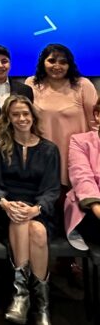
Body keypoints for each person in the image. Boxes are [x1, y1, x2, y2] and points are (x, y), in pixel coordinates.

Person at [0, 94, 59, 325]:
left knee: (36, 230)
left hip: (39, 211)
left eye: (25, 114)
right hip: (6, 210)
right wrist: (5, 203)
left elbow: (52, 190)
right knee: (20, 220)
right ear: (8, 118)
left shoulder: (49, 149)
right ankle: (30, 301)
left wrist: (36, 209)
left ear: (33, 116)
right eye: (15, 114)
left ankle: (32, 301)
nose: (21, 118)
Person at [25, 43, 98, 186]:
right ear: (43, 62)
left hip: (76, 153)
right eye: (52, 61)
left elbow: (95, 122)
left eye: (63, 62)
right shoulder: (31, 83)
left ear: (69, 65)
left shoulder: (83, 85)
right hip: (41, 152)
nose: (57, 66)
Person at [65, 98, 100, 251]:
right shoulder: (80, 141)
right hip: (90, 207)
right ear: (97, 115)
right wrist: (97, 207)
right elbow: (82, 177)